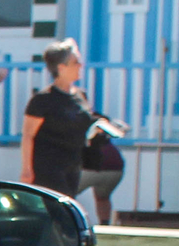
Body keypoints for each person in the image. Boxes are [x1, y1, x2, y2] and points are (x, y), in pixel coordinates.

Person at [22, 38, 125, 223]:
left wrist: (103, 128)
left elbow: (85, 123)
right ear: (61, 67)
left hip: (73, 163)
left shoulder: (80, 95)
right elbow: (28, 135)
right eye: (75, 62)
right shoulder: (43, 100)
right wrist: (27, 170)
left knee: (67, 209)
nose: (80, 65)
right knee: (56, 213)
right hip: (49, 166)